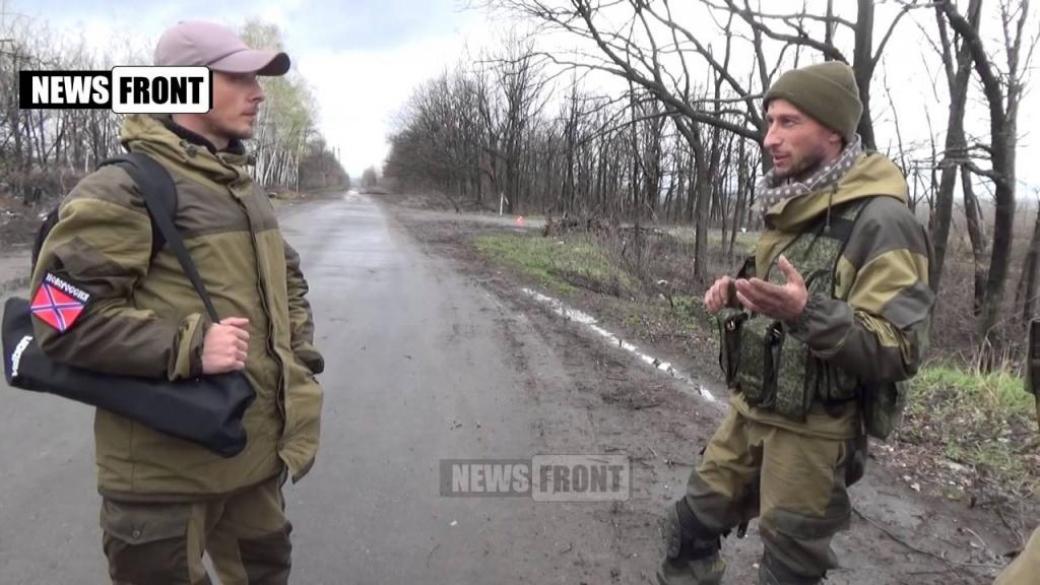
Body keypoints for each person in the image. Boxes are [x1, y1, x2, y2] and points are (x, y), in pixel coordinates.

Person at [30, 20, 323, 585]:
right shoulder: (126, 188)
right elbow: (57, 319)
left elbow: (288, 282)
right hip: (162, 480)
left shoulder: (240, 188)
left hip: (250, 458)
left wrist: (299, 361)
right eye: (239, 77)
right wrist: (189, 346)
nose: (258, 93)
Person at [657, 61, 933, 585]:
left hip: (814, 436)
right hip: (750, 413)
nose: (770, 138)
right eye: (769, 122)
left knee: (787, 572)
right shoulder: (792, 203)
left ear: (833, 131)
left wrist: (805, 313)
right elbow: (780, 297)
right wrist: (739, 293)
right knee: (686, 530)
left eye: (789, 122)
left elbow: (899, 347)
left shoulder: (882, 221)